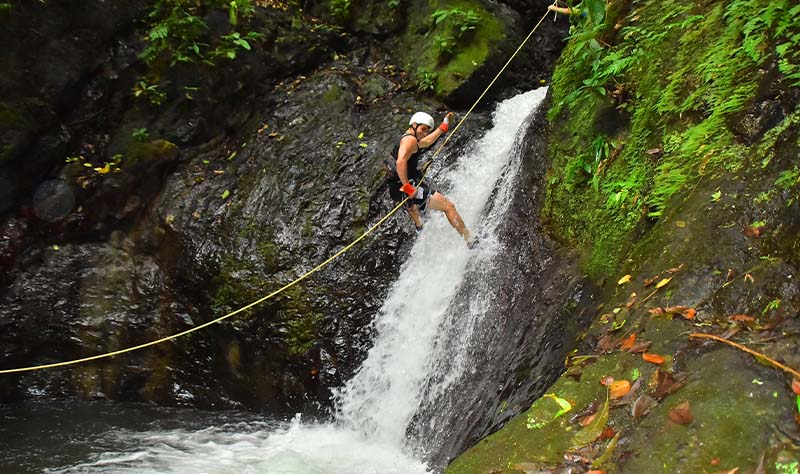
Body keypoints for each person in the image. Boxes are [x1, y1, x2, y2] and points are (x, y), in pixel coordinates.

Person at [385, 111, 473, 246]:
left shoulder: (408, 137)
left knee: (415, 209)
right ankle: (470, 241)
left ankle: (420, 226)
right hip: (405, 187)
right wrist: (407, 187)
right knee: (448, 207)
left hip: (397, 188)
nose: (425, 132)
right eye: (423, 129)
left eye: (427, 130)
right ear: (414, 125)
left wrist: (442, 127)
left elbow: (426, 142)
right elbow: (400, 162)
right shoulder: (410, 140)